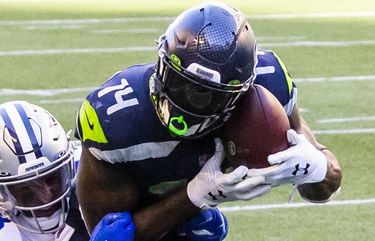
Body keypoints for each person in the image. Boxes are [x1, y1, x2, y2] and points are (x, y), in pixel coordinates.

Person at [74, 2, 342, 241]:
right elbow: (108, 235)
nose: (182, 101)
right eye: (176, 80)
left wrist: (315, 167)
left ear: (241, 91)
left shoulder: (269, 86)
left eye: (204, 94)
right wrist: (194, 197)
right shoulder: (116, 117)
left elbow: (323, 188)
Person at [0, 101, 125, 241]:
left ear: (68, 165)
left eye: (52, 178)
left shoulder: (91, 172)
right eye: (28, 191)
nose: (46, 197)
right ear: (3, 193)